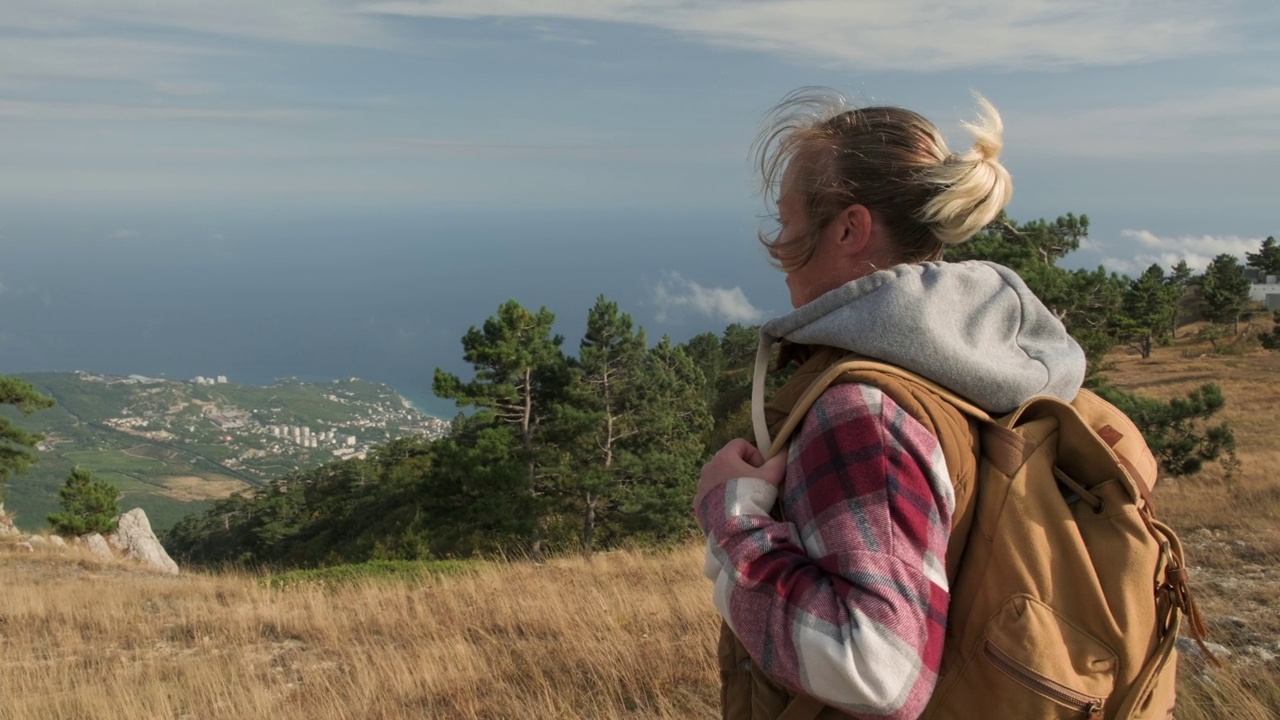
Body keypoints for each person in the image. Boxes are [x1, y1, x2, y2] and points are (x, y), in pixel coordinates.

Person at [693, 90, 1088, 719]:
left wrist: (731, 518)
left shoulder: (862, 411)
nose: (778, 246)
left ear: (850, 228)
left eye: (788, 221)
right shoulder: (976, 362)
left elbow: (876, 670)